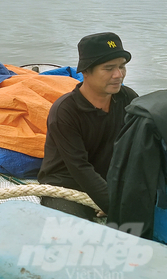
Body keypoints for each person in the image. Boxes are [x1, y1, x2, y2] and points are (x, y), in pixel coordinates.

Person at [38, 32, 138, 220]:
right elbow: (79, 167)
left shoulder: (128, 98)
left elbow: (140, 147)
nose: (119, 75)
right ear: (85, 71)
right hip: (66, 184)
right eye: (109, 68)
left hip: (109, 179)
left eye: (122, 66)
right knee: (73, 232)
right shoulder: (65, 111)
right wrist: (112, 203)